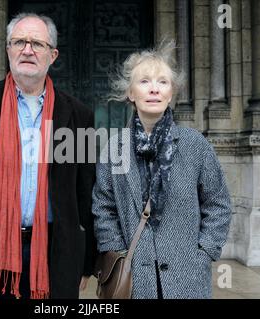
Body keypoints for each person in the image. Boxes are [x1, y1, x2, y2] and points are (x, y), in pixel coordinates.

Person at [0, 13, 96, 299]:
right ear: (8, 48)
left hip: (55, 252)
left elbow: (84, 191)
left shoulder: (78, 114)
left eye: (37, 43)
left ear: (53, 55)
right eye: (19, 41)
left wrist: (85, 262)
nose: (27, 49)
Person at [92, 41, 232, 299]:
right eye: (144, 81)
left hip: (187, 277)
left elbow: (218, 203)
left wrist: (204, 252)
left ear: (171, 93)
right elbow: (103, 205)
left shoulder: (194, 145)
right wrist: (116, 250)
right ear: (130, 93)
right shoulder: (115, 147)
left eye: (162, 82)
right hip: (134, 278)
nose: (154, 89)